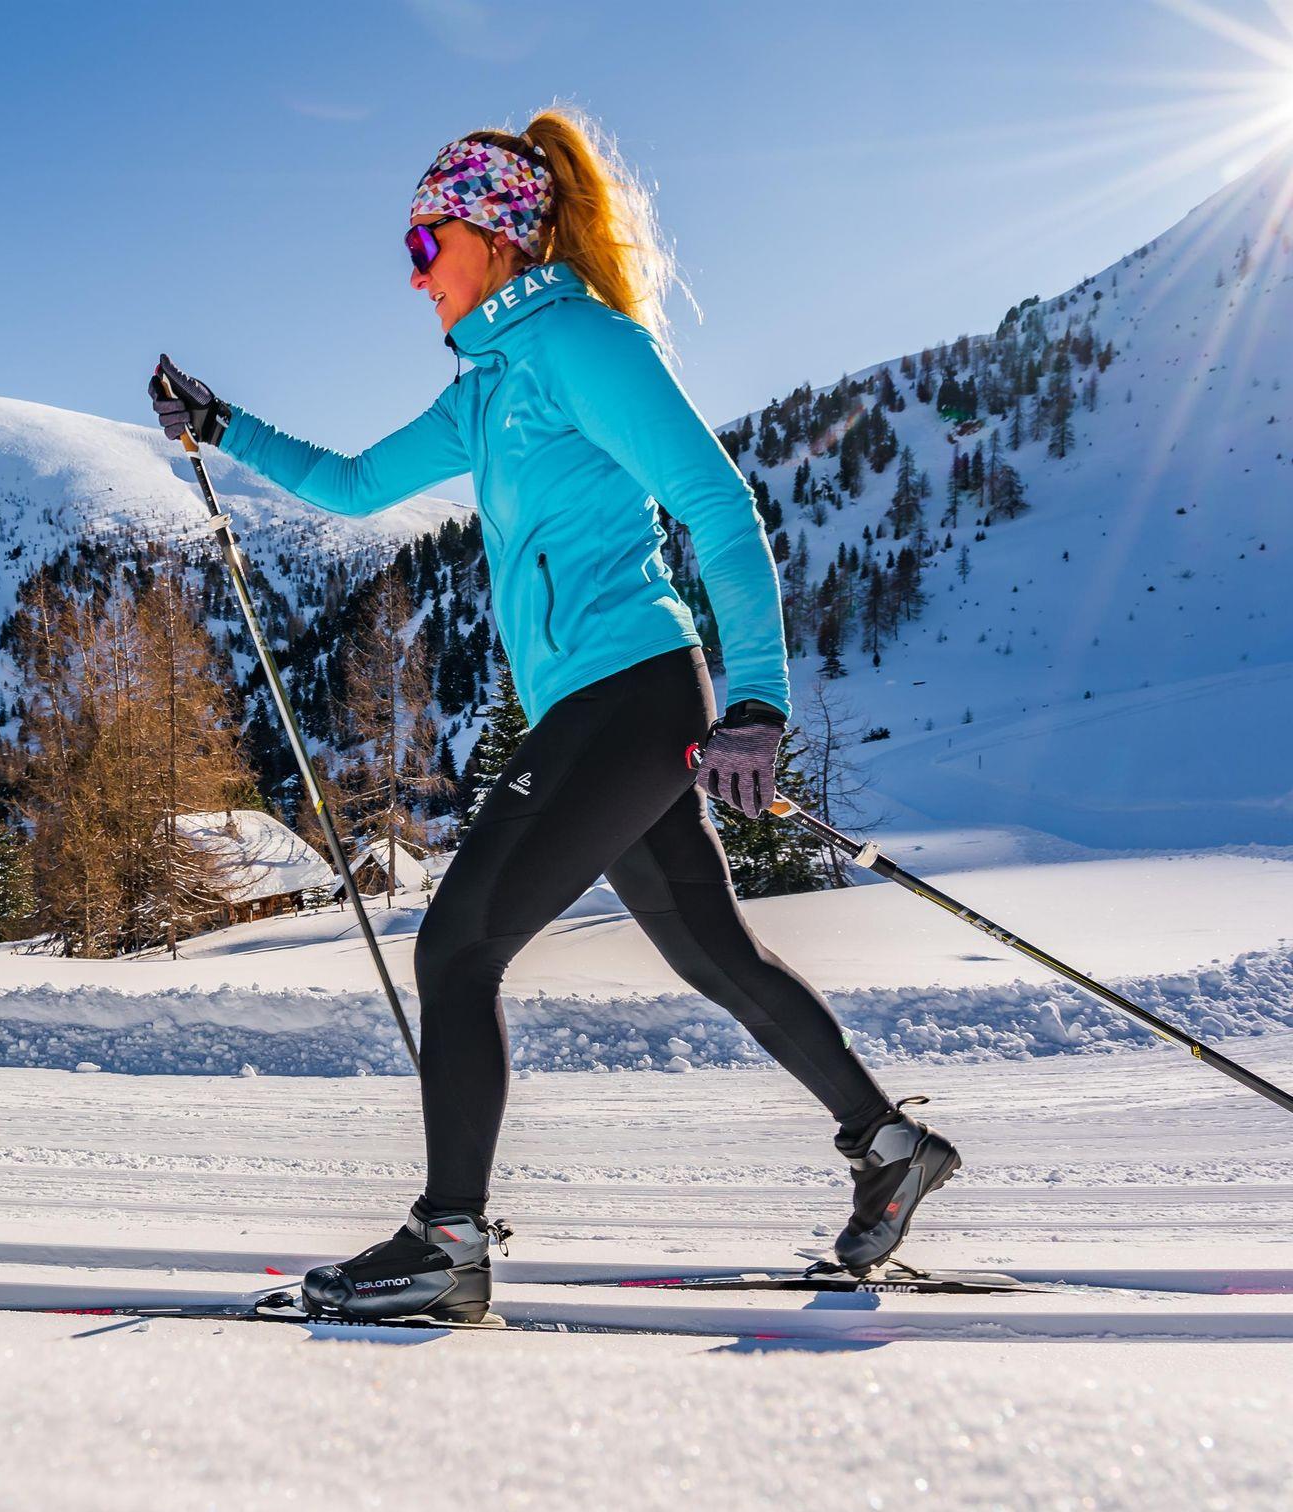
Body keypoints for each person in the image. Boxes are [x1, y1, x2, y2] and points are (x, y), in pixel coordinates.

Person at [149, 108, 959, 1323]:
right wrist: (223, 426)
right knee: (710, 951)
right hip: (598, 702)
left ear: (493, 235)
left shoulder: (582, 343)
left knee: (454, 946)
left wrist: (755, 700)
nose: (412, 273)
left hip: (629, 691)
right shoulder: (486, 387)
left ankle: (446, 1241)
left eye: (424, 244)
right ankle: (886, 1145)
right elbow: (355, 484)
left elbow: (718, 507)